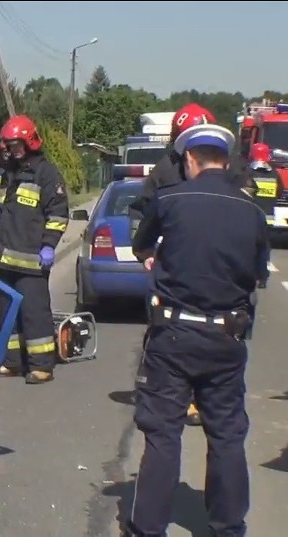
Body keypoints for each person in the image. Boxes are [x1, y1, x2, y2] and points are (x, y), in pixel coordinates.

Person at [126, 123, 267, 537]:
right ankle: (227, 527)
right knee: (226, 433)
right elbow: (258, 275)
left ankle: (149, 527)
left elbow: (142, 246)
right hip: (227, 338)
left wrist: (159, 260)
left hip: (173, 337)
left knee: (163, 432)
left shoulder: (171, 200)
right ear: (226, 162)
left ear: (190, 160)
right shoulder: (252, 212)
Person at [129, 102, 216, 425]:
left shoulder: (227, 168)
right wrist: (146, 253)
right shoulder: (166, 169)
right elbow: (141, 210)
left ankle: (200, 393)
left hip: (211, 264)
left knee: (208, 331)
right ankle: (165, 389)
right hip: (173, 263)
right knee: (165, 327)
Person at [0, 115, 69, 385]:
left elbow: (58, 213)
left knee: (35, 315)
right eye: (9, 145)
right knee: (6, 314)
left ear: (30, 142)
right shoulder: (8, 173)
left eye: (17, 144)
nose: (13, 150)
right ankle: (12, 361)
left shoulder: (46, 174)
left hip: (32, 261)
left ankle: (42, 365)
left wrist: (48, 246)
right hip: (6, 259)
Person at [247, 143, 281, 288]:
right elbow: (279, 192)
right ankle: (263, 277)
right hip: (269, 217)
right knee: (264, 247)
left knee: (249, 246)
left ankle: (250, 273)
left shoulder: (248, 172)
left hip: (251, 216)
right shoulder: (274, 173)